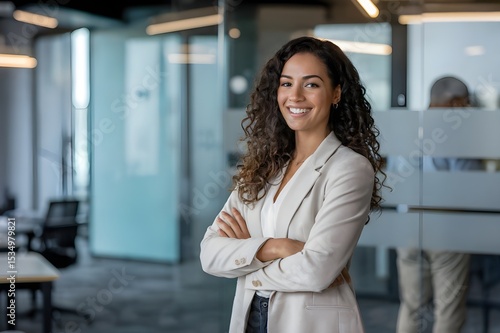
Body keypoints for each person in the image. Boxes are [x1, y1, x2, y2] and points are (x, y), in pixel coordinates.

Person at [200, 36, 385, 333]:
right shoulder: (264, 165)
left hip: (310, 321)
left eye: (311, 84)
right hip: (250, 315)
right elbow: (209, 254)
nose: (295, 96)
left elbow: (316, 271)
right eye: (286, 84)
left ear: (335, 93)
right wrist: (277, 247)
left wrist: (246, 258)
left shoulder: (348, 169)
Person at [396, 76, 483, 333]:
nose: (466, 110)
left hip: (406, 224)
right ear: (455, 101)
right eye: (465, 104)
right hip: (445, 226)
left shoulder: (407, 128)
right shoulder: (456, 132)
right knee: (449, 306)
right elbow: (469, 184)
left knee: (411, 305)